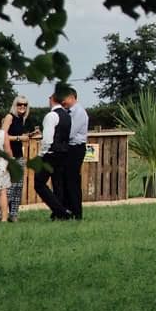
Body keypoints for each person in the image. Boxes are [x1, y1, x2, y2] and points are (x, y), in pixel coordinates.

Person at [56, 87, 90, 220]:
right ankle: (67, 209)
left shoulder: (79, 112)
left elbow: (70, 133)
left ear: (71, 97)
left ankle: (76, 211)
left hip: (75, 148)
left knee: (72, 181)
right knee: (65, 180)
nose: (62, 101)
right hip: (69, 148)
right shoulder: (68, 112)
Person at [36, 92, 69, 220]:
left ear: (52, 100)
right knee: (58, 183)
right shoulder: (67, 116)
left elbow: (48, 139)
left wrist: (41, 154)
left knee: (39, 183)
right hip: (63, 153)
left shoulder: (51, 115)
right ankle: (58, 214)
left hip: (51, 154)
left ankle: (61, 211)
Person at [3, 98, 30, 220]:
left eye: (25, 104)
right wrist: (20, 138)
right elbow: (3, 135)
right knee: (9, 187)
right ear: (15, 105)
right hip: (10, 156)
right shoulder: (10, 117)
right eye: (20, 104)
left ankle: (13, 214)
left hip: (19, 155)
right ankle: (1, 214)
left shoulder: (21, 119)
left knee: (18, 187)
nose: (22, 106)